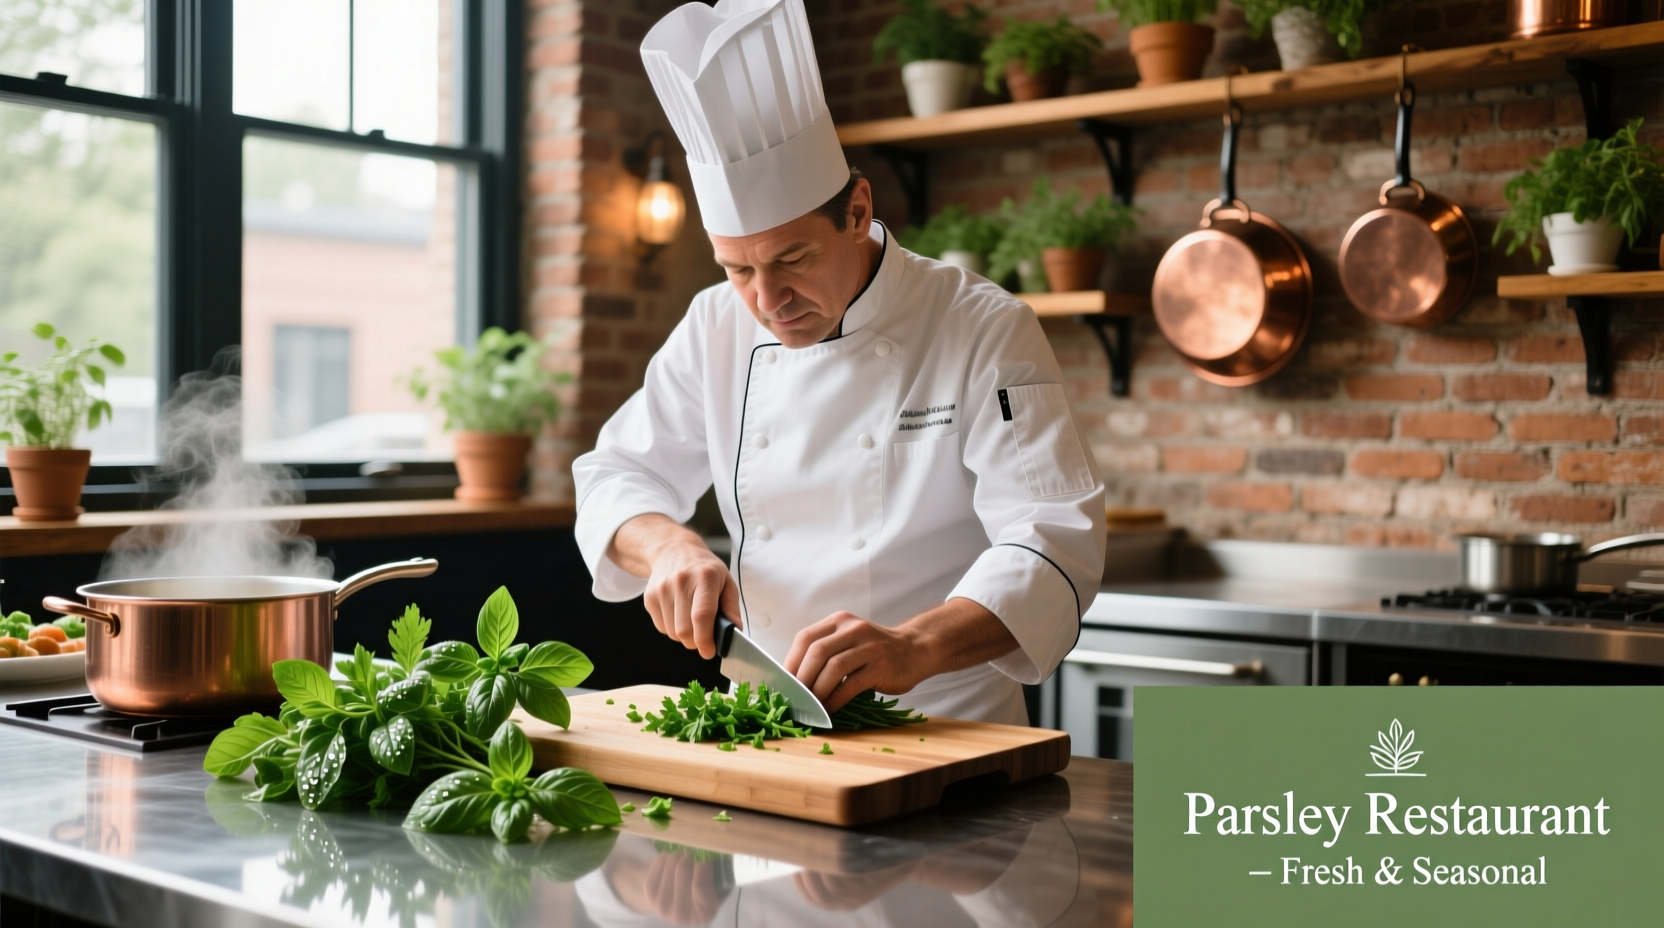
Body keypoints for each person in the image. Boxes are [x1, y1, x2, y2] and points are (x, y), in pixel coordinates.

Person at [572, 0, 1105, 725]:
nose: (767, 299)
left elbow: (1053, 534)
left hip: (944, 728)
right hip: (765, 726)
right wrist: (666, 546)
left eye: (792, 259)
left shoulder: (982, 327)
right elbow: (614, 474)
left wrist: (913, 645)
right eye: (737, 268)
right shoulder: (714, 324)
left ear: (857, 210)